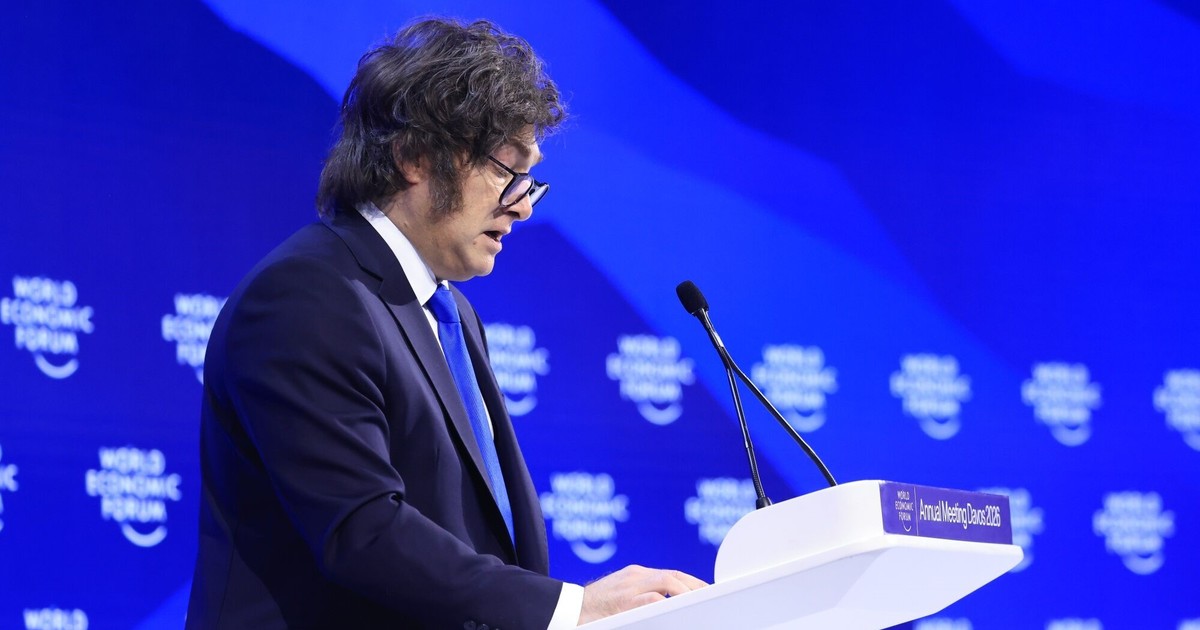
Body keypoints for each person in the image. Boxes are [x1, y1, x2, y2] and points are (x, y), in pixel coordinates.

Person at [185, 17, 705, 629]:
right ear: (415, 157)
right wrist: (570, 608)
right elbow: (363, 530)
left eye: (529, 179)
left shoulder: (450, 312)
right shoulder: (308, 295)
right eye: (506, 171)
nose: (523, 205)